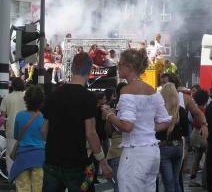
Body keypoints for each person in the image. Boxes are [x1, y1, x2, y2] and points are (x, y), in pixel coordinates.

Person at [101, 48, 172, 192]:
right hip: (152, 152)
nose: (118, 67)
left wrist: (109, 115)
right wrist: (148, 129)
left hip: (135, 153)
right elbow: (165, 121)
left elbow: (127, 126)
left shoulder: (127, 90)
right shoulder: (152, 90)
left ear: (129, 67)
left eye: (120, 64)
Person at [41, 52, 112, 192]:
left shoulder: (54, 95)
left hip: (52, 162)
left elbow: (43, 130)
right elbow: (91, 133)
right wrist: (103, 162)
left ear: (72, 68)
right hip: (77, 164)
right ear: (90, 70)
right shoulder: (88, 98)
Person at [9, 85, 45, 191]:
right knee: (37, 189)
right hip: (39, 158)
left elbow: (16, 136)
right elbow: (44, 137)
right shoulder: (43, 118)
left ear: (26, 100)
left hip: (23, 158)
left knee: (23, 189)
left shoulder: (20, 116)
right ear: (41, 101)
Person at [157, 83, 189, 192]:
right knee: (175, 180)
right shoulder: (181, 110)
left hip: (164, 147)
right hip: (178, 147)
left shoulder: (159, 111)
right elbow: (186, 131)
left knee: (168, 182)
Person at [0, 77, 26, 173]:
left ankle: (11, 175)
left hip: (11, 128)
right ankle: (23, 174)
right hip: (25, 128)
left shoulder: (7, 98)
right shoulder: (26, 97)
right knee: (23, 152)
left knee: (10, 153)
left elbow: (3, 116)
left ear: (12, 86)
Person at [105, 82, 127, 192]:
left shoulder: (133, 107)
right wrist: (110, 117)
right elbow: (108, 131)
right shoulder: (113, 107)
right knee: (118, 185)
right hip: (117, 151)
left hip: (132, 152)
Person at [189, 89, 209, 188]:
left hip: (195, 133)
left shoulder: (194, 109)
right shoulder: (205, 110)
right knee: (207, 158)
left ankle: (192, 179)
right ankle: (205, 181)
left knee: (197, 158)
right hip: (203, 134)